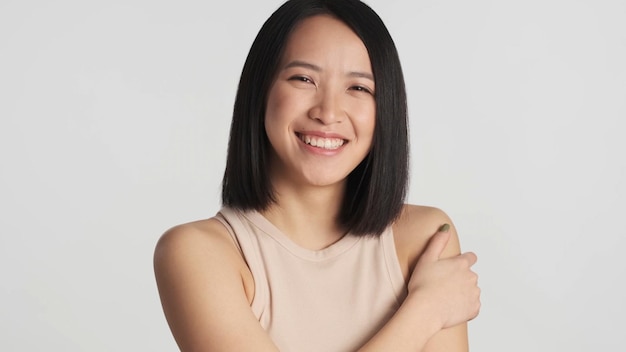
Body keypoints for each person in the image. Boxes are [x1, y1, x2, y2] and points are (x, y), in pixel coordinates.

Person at [153, 0, 481, 351]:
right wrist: (425, 312)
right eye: (304, 79)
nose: (328, 112)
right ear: (260, 91)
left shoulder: (427, 238)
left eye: (358, 88)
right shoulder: (198, 253)